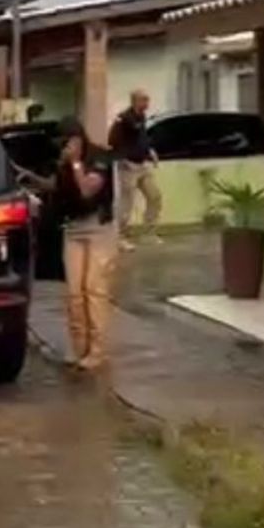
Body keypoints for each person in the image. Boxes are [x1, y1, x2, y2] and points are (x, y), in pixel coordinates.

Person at [54, 117, 116, 370]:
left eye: (68, 143)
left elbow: (88, 190)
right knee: (74, 293)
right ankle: (80, 348)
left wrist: (76, 163)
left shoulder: (99, 157)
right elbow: (61, 191)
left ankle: (98, 351)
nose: (65, 148)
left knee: (95, 290)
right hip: (73, 227)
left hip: (98, 228)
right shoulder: (63, 163)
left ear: (78, 140)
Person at [108, 90, 162, 244]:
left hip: (142, 165)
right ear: (135, 101)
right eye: (144, 100)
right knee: (127, 203)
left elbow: (142, 137)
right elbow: (112, 141)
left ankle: (149, 232)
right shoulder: (123, 118)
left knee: (154, 196)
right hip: (128, 166)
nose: (147, 104)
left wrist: (150, 151)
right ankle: (121, 236)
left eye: (147, 100)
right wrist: (122, 158)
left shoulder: (142, 117)